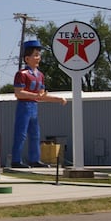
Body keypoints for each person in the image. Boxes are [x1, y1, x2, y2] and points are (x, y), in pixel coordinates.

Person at [11, 39, 66, 168]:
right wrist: (36, 96)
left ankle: (34, 159)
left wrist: (57, 99)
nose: (38, 58)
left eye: (38, 55)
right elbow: (18, 93)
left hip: (34, 106)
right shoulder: (21, 74)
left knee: (35, 134)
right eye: (35, 55)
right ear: (27, 58)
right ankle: (16, 159)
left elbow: (42, 95)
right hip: (24, 106)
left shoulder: (40, 75)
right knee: (21, 134)